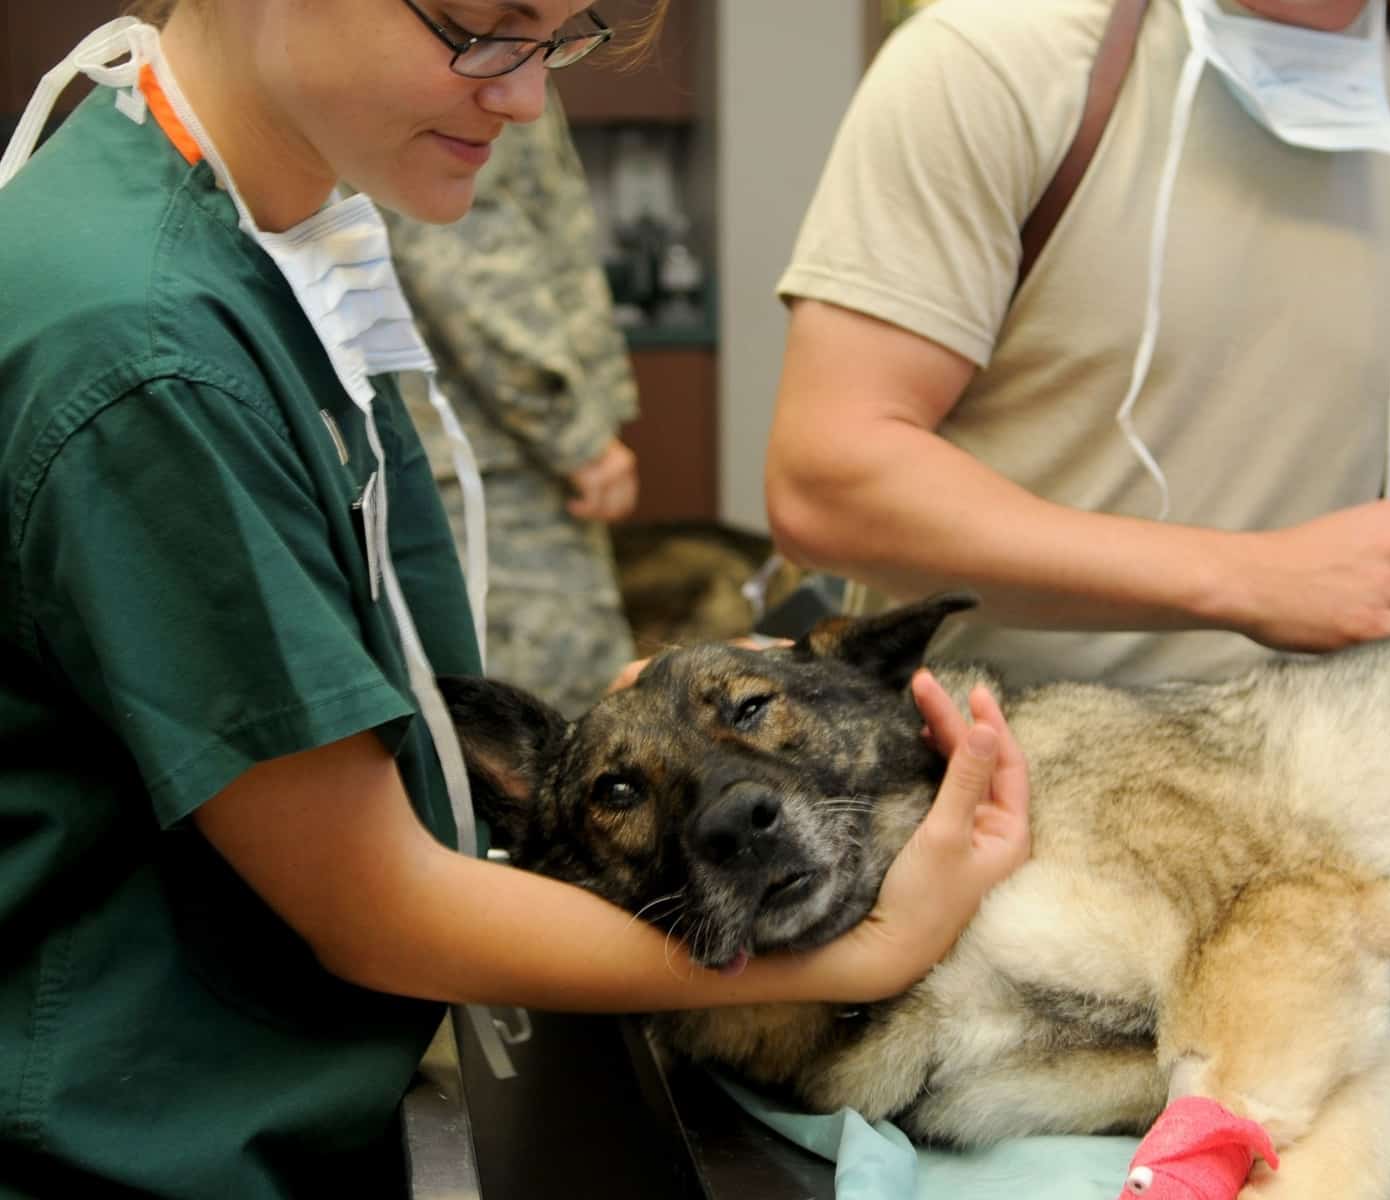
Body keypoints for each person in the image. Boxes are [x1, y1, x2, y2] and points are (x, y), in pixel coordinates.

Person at [0, 2, 1031, 1196]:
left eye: (559, 41)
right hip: (134, 1155)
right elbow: (377, 907)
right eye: (482, 28)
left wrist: (651, 738)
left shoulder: (266, 242)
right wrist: (869, 952)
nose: (526, 96)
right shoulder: (148, 350)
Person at [766, 0, 1390, 689]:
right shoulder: (994, 65)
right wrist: (1250, 577)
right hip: (983, 786)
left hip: (1321, 797)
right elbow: (828, 478)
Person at [386, 93, 641, 718]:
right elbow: (465, 255)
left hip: (479, 450)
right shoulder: (473, 52)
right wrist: (575, 436)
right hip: (491, 462)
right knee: (555, 731)